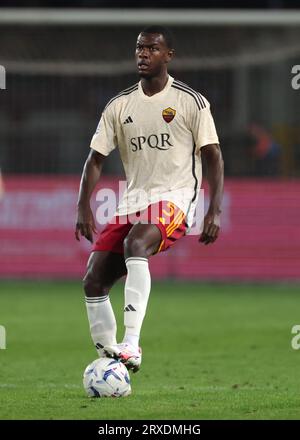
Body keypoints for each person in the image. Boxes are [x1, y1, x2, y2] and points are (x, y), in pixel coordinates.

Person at [75, 26, 224, 373]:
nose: (143, 54)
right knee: (93, 278)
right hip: (132, 201)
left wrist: (213, 209)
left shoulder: (191, 101)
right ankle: (109, 361)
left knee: (136, 242)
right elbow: (96, 158)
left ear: (168, 56)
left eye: (152, 49)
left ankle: (131, 343)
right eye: (139, 48)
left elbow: (213, 154)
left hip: (175, 198)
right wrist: (82, 204)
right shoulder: (119, 105)